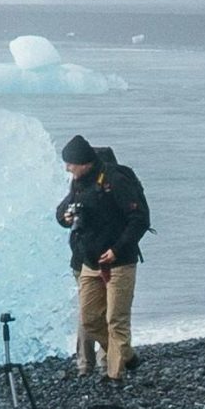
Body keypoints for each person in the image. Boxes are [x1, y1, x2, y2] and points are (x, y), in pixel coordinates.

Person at [56, 133, 149, 380]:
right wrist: (64, 217)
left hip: (119, 261)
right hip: (88, 261)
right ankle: (127, 355)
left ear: (84, 162)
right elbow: (63, 209)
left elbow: (140, 219)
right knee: (89, 320)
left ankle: (114, 376)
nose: (67, 168)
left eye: (70, 163)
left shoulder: (115, 180)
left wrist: (117, 249)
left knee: (115, 320)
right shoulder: (78, 182)